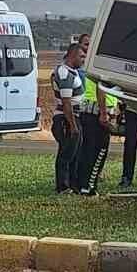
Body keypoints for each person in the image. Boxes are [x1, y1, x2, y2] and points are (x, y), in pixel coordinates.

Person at [73, 33, 115, 196]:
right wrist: (104, 114)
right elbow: (101, 88)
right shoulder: (102, 62)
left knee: (87, 150)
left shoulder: (93, 62)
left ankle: (81, 184)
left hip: (90, 111)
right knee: (98, 151)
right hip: (97, 112)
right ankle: (89, 187)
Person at [50, 42, 86, 193]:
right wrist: (72, 125)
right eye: (81, 56)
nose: (84, 60)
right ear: (72, 55)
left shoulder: (72, 72)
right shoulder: (65, 74)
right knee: (66, 154)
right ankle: (63, 186)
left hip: (74, 117)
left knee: (74, 153)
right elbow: (66, 103)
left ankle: (73, 185)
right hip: (67, 118)